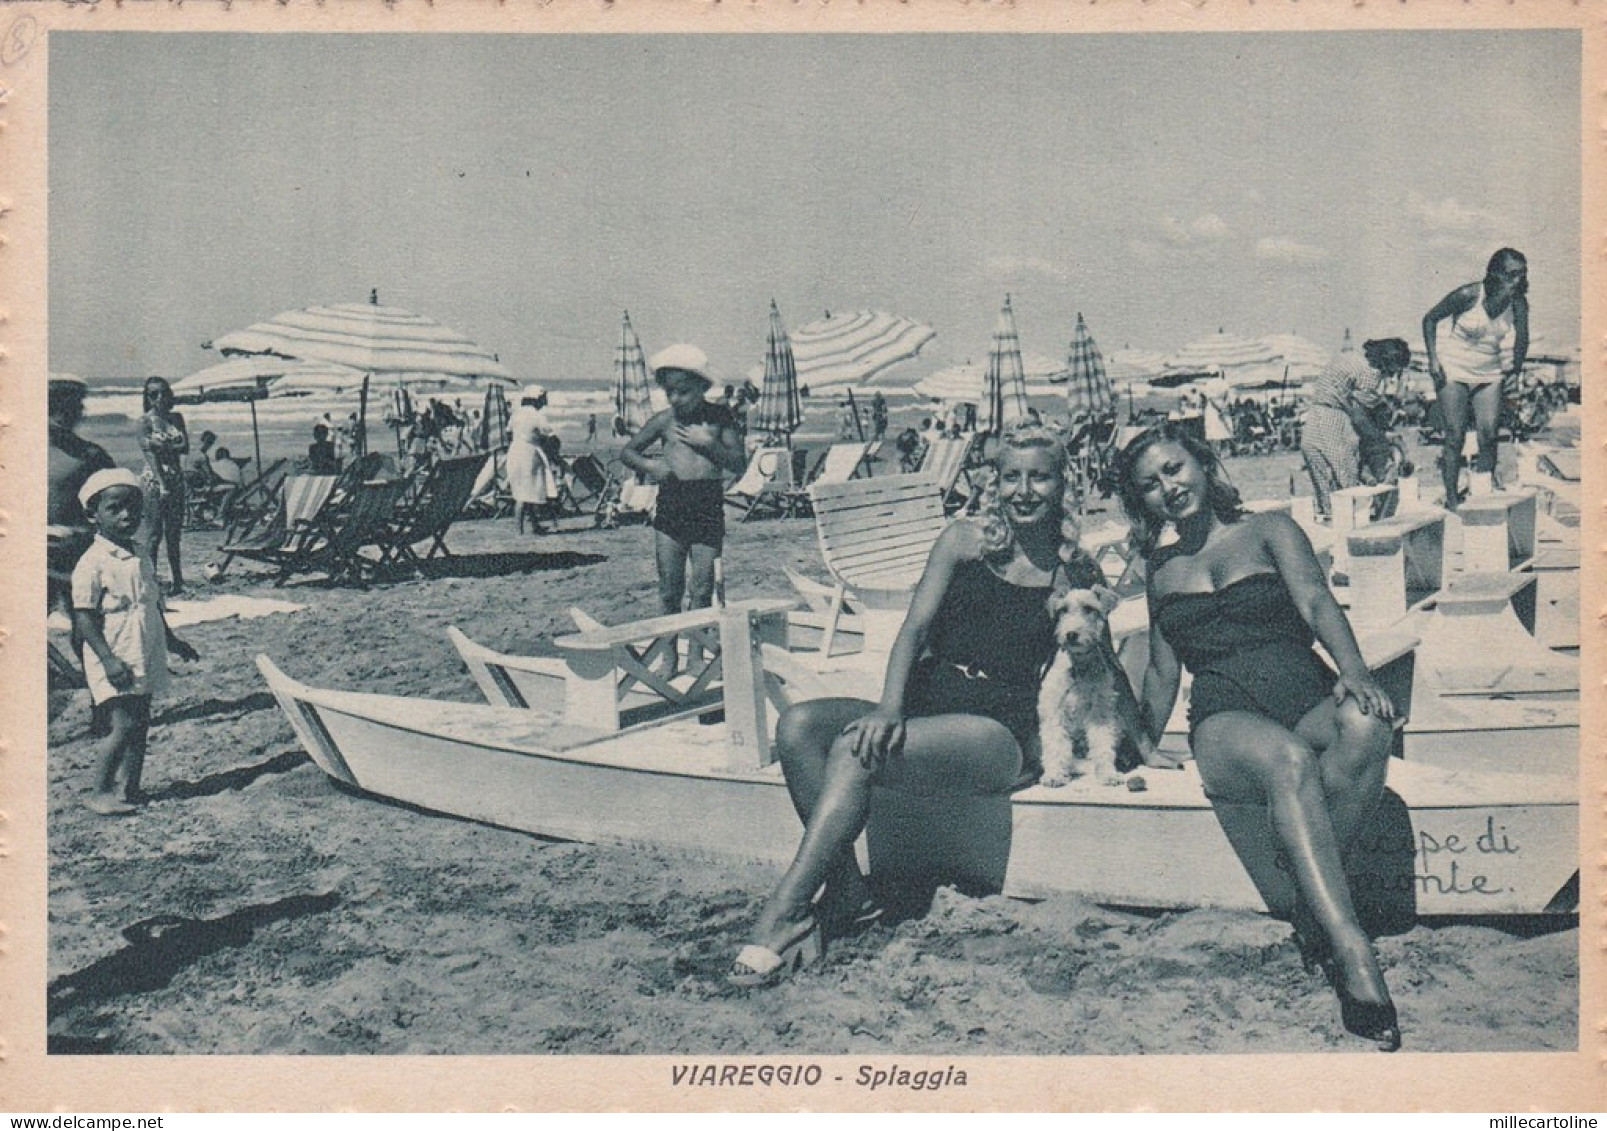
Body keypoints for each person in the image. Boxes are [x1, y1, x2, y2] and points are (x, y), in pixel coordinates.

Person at [731, 421, 1171, 986]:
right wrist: (890, 707)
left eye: (1040, 478)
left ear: (1065, 485)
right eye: (1011, 477)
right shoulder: (963, 540)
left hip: (999, 727)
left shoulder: (1074, 567)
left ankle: (785, 912)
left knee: (854, 751)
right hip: (930, 699)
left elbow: (1101, 659)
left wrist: (1143, 742)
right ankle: (845, 889)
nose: (1024, 492)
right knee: (798, 727)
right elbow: (915, 628)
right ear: (994, 481)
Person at [1115, 423, 1401, 1051]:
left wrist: (1354, 672)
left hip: (1305, 690)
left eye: (1174, 469)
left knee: (1367, 724)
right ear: (1142, 503)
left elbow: (1317, 603)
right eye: (1150, 485)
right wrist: (1136, 742)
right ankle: (1350, 945)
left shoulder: (1271, 529)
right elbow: (1162, 672)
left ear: (1202, 464)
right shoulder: (1159, 569)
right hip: (1225, 714)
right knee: (1289, 762)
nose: (1168, 488)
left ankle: (1307, 903)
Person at [72, 469, 199, 815]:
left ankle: (129, 789)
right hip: (114, 650)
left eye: (133, 507)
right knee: (124, 724)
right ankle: (99, 790)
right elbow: (84, 617)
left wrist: (172, 640)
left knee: (140, 723)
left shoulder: (141, 553)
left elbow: (152, 603)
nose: (126, 515)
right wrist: (108, 660)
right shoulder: (93, 562)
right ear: (93, 515)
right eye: (114, 508)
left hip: (143, 646)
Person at [621, 345, 745, 622]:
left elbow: (739, 464)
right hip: (672, 501)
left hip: (707, 503)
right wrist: (650, 466)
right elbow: (628, 452)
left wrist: (710, 444)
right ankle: (670, 647)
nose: (675, 399)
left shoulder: (721, 418)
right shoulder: (664, 421)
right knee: (669, 590)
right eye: (669, 392)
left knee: (702, 589)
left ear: (702, 386)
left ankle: (697, 646)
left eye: (683, 391)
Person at [1422, 248, 1530, 506]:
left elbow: (1522, 338)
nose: (1517, 280)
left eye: (1522, 274)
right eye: (1511, 274)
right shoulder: (1468, 295)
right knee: (1455, 435)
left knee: (1489, 435)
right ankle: (1451, 498)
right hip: (1454, 369)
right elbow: (1430, 319)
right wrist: (1433, 359)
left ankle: (1482, 494)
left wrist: (1516, 369)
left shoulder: (1518, 304)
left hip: (1489, 371)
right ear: (1494, 273)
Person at [1300, 338, 1411, 517]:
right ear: (1388, 361)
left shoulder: (1352, 357)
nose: (1393, 375)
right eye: (1395, 369)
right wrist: (1379, 437)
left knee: (1323, 479)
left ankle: (1330, 516)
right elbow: (1358, 416)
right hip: (1334, 420)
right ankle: (1352, 520)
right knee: (1346, 481)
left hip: (1314, 417)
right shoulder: (1370, 373)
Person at [48, 373, 114, 621]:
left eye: (69, 408)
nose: (59, 415)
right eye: (54, 407)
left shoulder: (91, 456)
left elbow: (119, 500)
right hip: (31, 552)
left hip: (76, 550)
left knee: (85, 620)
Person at [136, 376, 189, 594]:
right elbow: (150, 454)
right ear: (147, 397)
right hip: (154, 480)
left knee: (174, 534)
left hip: (175, 476)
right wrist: (161, 482)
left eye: (163, 393)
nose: (159, 398)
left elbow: (185, 447)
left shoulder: (176, 418)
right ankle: (151, 582)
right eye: (153, 394)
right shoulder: (144, 421)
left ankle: (178, 581)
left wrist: (161, 446)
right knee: (154, 534)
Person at [507, 384, 560, 535]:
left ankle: (525, 528)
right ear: (537, 398)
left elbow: (509, 433)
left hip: (515, 452)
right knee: (532, 491)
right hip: (529, 454)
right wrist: (553, 452)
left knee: (522, 491)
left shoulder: (516, 414)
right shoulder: (537, 415)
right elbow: (551, 436)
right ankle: (523, 529)